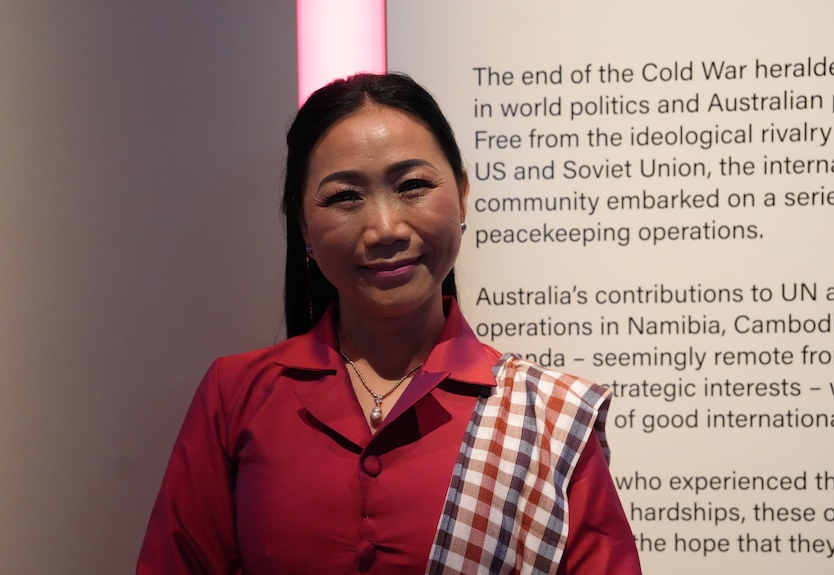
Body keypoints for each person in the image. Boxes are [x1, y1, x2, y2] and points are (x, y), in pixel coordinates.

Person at [137, 72, 642, 574]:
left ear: (462, 194)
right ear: (303, 225)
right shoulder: (237, 395)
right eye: (345, 197)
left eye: (413, 186)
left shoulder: (547, 417)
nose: (385, 229)